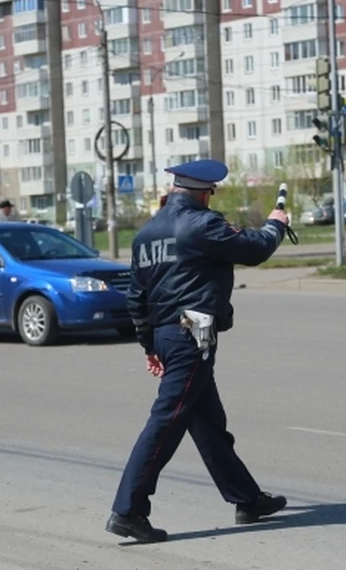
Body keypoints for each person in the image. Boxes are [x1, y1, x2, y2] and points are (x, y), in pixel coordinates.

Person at [105, 159, 290, 544]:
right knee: (166, 421)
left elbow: (136, 297)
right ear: (203, 191)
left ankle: (246, 499)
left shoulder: (146, 234)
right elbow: (254, 249)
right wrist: (277, 224)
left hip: (167, 335)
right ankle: (128, 509)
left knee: (206, 422)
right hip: (193, 335)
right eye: (211, 192)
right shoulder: (201, 224)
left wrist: (148, 346)